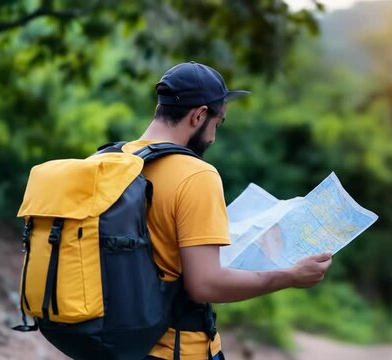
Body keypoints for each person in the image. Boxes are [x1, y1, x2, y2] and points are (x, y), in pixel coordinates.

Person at [121, 62, 333, 360]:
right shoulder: (196, 174)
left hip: (114, 343)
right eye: (217, 124)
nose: (213, 138)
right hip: (175, 350)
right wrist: (291, 276)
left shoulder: (112, 160)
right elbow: (204, 285)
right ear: (199, 115)